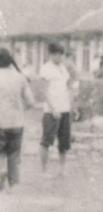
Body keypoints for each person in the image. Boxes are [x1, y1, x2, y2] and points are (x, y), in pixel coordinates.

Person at [0, 48, 35, 192]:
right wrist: (21, 110)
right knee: (14, 155)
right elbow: (31, 102)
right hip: (16, 123)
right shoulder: (19, 77)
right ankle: (13, 186)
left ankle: (1, 178)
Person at [39, 42, 72, 177]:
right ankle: (44, 170)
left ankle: (62, 169)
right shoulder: (46, 68)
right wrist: (53, 108)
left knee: (64, 142)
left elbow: (66, 87)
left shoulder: (63, 68)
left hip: (65, 109)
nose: (60, 57)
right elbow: (44, 91)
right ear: (51, 54)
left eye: (61, 55)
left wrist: (70, 105)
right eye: (57, 54)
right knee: (46, 141)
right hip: (51, 111)